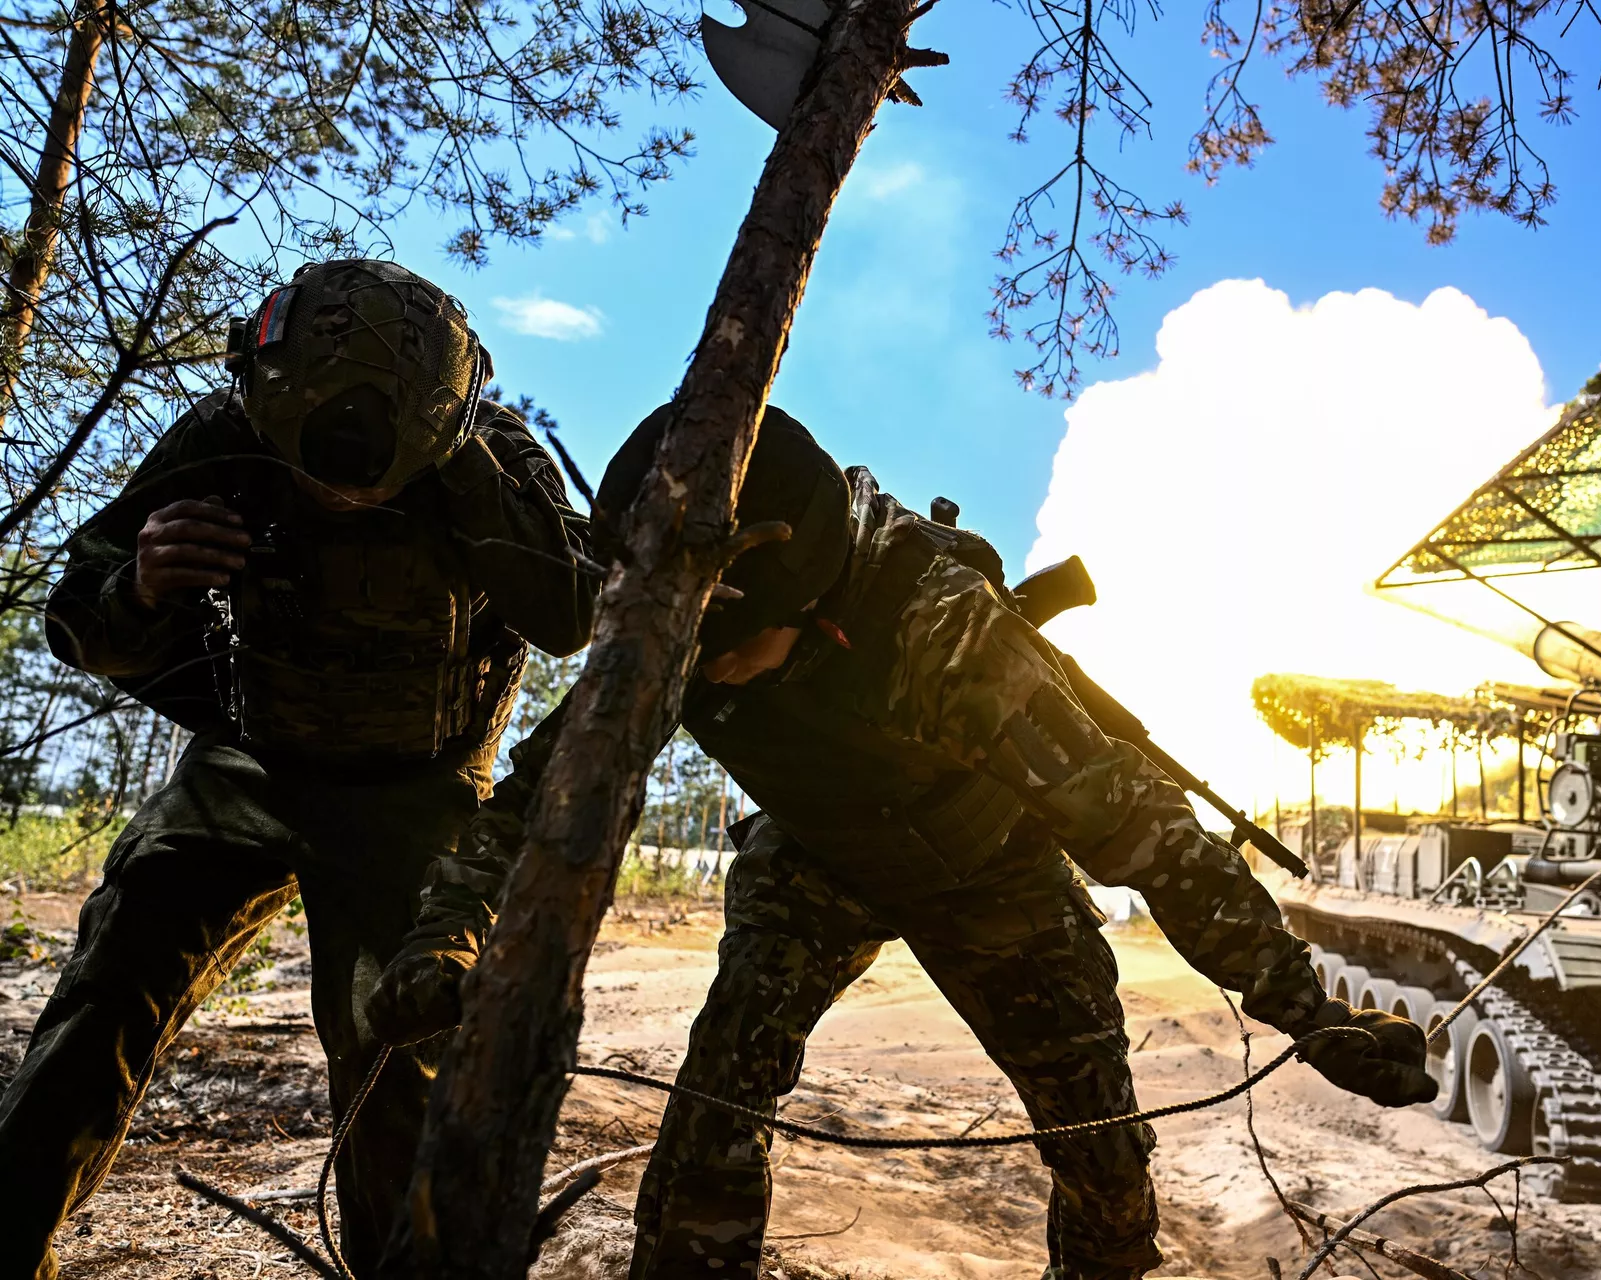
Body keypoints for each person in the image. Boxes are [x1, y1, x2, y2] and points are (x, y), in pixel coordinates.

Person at [368, 405, 1435, 1280]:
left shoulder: (944, 632)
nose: (709, 670)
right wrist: (447, 932)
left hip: (991, 871)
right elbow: (535, 805)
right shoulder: (672, 626)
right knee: (717, 1105)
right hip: (818, 860)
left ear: (809, 595)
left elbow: (1148, 833)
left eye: (731, 649)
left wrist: (1310, 1010)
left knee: (1100, 1152)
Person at [0, 259, 598, 1278]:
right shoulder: (224, 434)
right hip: (250, 763)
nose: (338, 492)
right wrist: (143, 588)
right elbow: (77, 613)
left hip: (419, 790)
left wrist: (481, 495)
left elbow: (573, 611)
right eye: (318, 476)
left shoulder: (488, 454)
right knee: (114, 973)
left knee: (392, 1042)